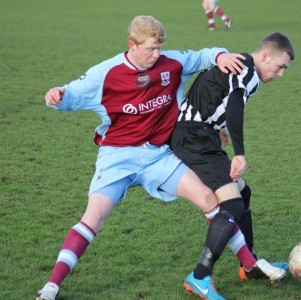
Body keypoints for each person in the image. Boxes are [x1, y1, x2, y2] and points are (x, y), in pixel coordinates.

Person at [35, 15, 247, 300]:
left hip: (159, 157)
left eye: (159, 48)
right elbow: (69, 95)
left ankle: (250, 264)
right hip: (118, 158)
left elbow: (201, 57)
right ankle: (51, 286)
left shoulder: (169, 64)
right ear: (131, 45)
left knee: (210, 199)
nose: (156, 55)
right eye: (150, 49)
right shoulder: (105, 74)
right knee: (93, 217)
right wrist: (57, 96)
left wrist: (220, 55)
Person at [170, 32, 295, 299]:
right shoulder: (247, 69)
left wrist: (220, 128)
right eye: (280, 66)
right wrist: (239, 153)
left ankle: (249, 265)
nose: (280, 73)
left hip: (202, 135)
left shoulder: (244, 69)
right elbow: (235, 104)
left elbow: (221, 99)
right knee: (232, 203)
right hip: (193, 136)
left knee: (242, 192)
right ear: (265, 55)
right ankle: (200, 275)